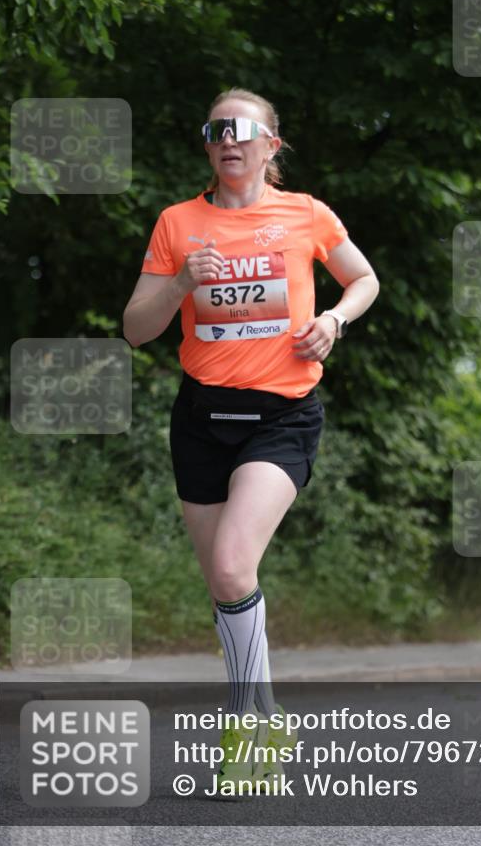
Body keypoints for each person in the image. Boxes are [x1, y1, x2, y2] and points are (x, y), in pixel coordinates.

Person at [123, 87, 379, 792]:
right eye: (216, 130)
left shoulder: (305, 215)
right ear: (208, 145)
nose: (228, 140)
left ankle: (246, 723)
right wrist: (179, 282)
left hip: (281, 415)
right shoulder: (179, 222)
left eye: (242, 130)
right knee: (223, 584)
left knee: (234, 568)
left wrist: (334, 320)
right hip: (201, 419)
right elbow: (135, 327)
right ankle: (266, 712)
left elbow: (363, 279)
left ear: (271, 145)